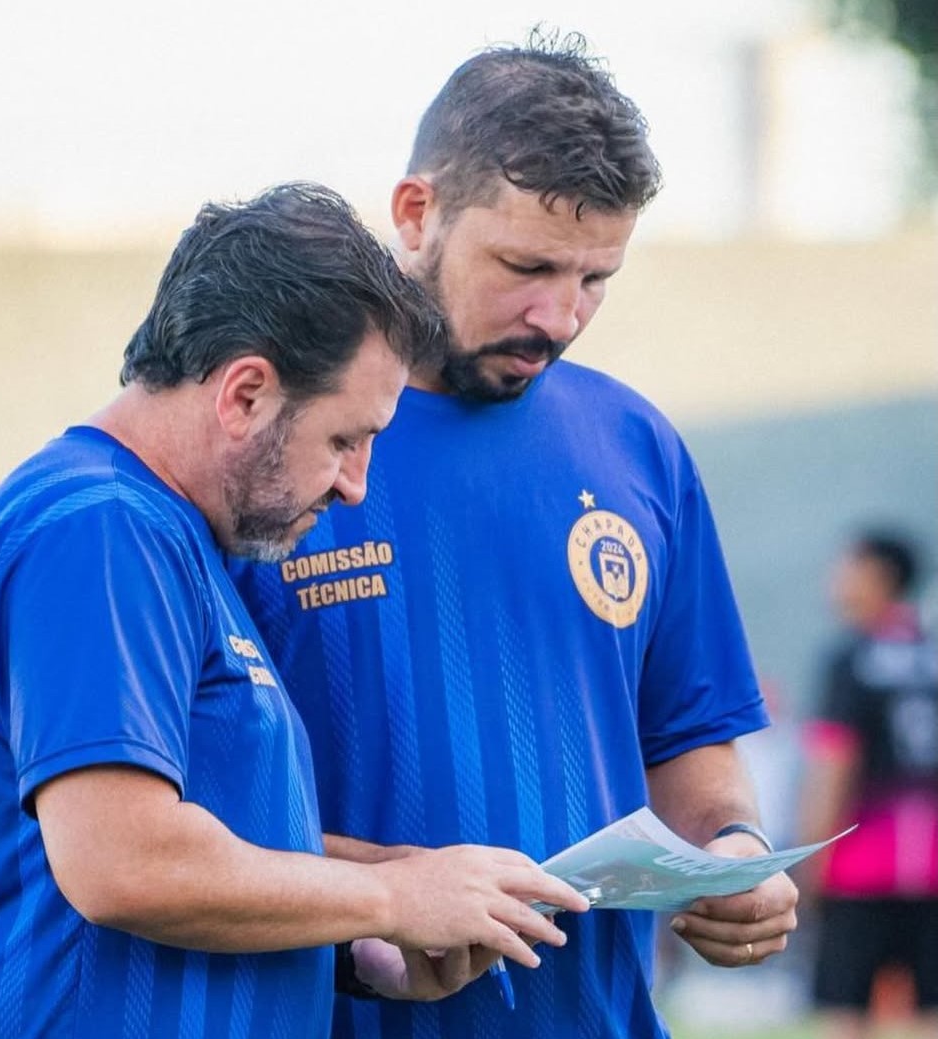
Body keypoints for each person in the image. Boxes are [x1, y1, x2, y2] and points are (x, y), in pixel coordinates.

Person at [0, 183, 591, 1039]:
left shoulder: (168, 538)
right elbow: (122, 860)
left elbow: (216, 839)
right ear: (245, 394)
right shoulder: (101, 528)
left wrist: (368, 930)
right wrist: (391, 893)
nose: (355, 484)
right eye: (344, 438)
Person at [228, 32, 799, 1039]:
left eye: (595, 278)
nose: (562, 315)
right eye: (527, 265)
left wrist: (732, 855)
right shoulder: (268, 445)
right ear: (417, 214)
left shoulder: (637, 445)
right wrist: (396, 897)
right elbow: (195, 808)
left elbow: (690, 738)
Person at [798, 530, 938, 1039]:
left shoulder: (852, 658)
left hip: (860, 864)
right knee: (928, 1012)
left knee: (845, 1011)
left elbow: (833, 763)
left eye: (845, 566)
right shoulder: (930, 654)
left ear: (877, 576)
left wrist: (808, 862)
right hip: (932, 866)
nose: (834, 580)